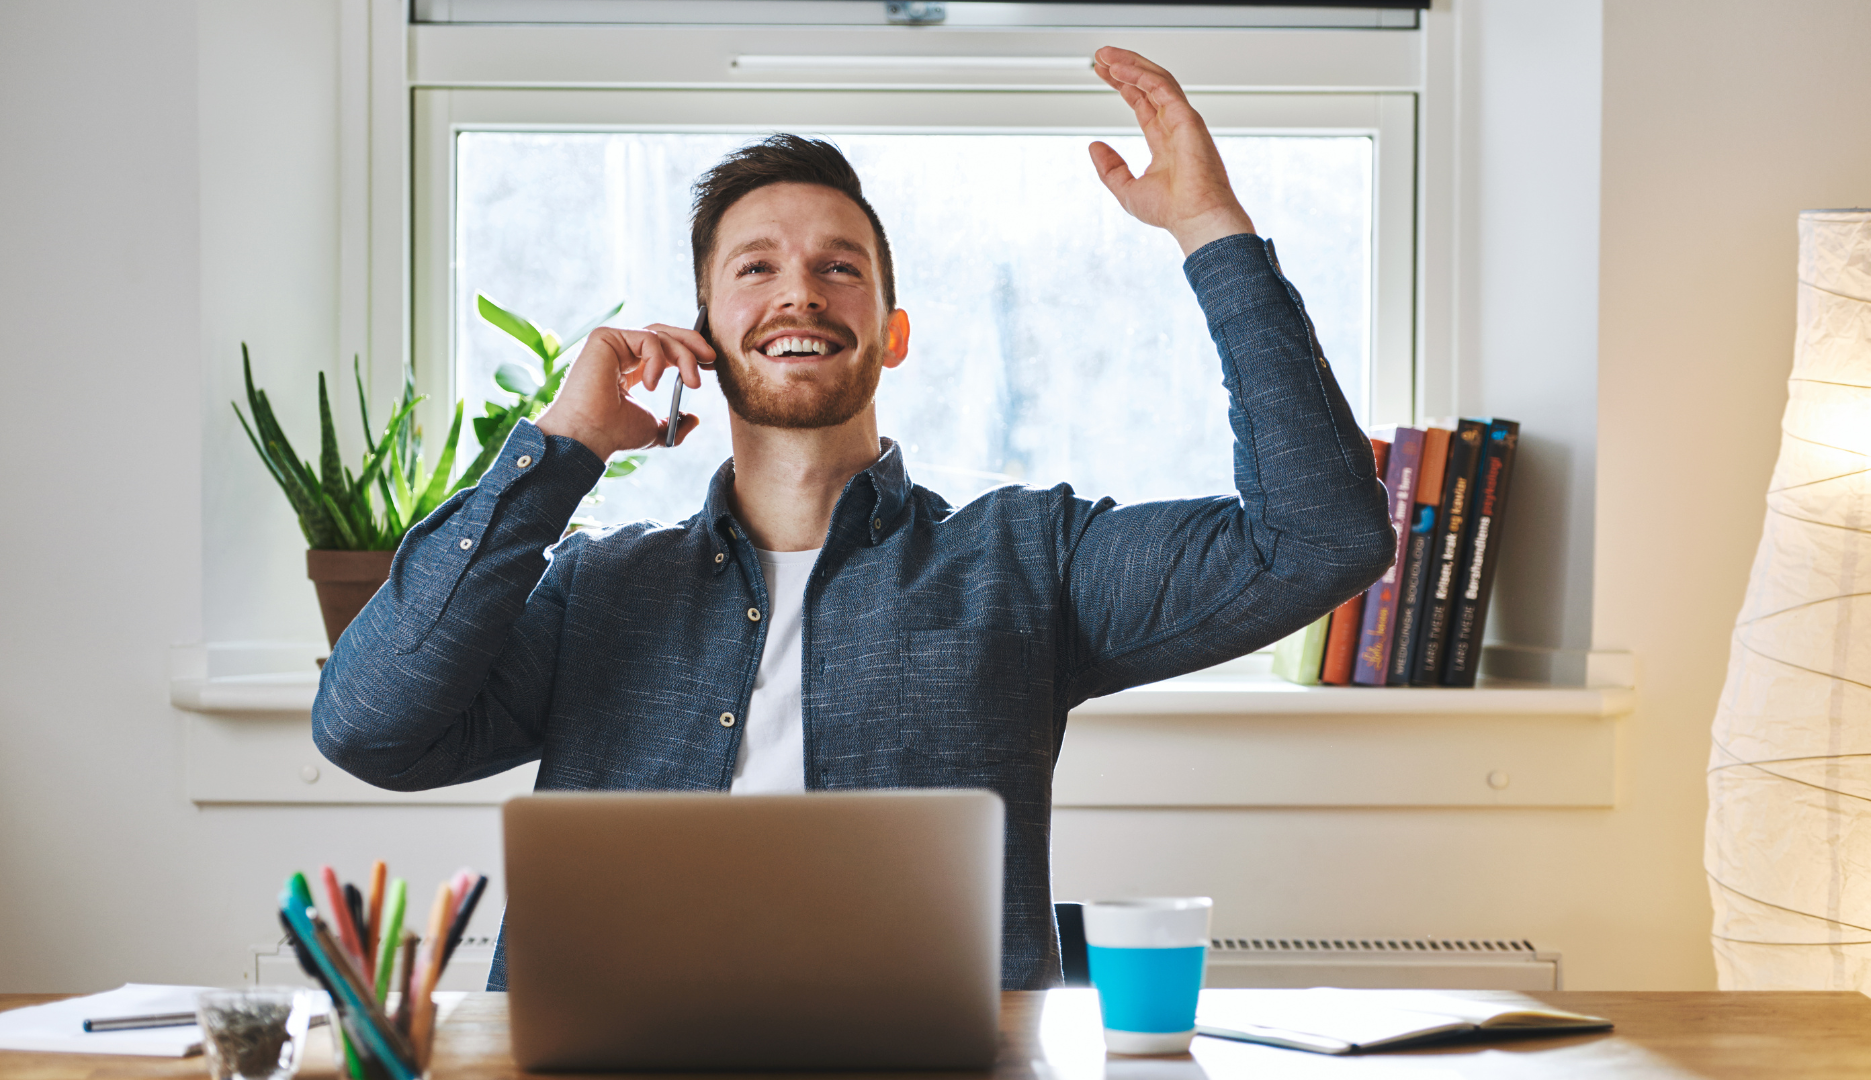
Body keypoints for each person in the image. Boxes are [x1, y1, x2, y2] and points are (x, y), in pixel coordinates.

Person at [313, 47, 1395, 992]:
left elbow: (1320, 537)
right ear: (703, 331)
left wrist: (1210, 226)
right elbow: (368, 727)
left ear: (894, 332)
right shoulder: (598, 591)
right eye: (756, 269)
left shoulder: (1024, 561)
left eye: (842, 268)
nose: (801, 294)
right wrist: (558, 452)